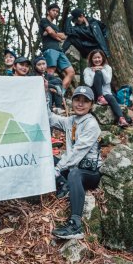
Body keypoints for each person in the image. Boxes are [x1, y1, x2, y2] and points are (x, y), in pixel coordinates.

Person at [48, 86, 102, 240]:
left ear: (91, 105)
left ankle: (75, 224)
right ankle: (63, 185)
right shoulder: (71, 120)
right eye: (77, 100)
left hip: (89, 173)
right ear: (72, 101)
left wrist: (58, 169)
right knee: (48, 158)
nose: (80, 104)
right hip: (72, 167)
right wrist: (44, 92)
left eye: (85, 101)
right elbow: (50, 117)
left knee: (74, 174)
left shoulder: (91, 124)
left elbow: (77, 151)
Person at [83, 49, 128, 127]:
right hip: (94, 94)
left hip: (105, 94)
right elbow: (89, 84)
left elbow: (108, 81)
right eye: (95, 58)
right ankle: (100, 98)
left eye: (99, 57)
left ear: (102, 58)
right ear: (91, 59)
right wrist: (95, 72)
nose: (97, 60)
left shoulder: (107, 68)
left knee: (112, 99)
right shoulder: (87, 70)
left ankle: (121, 119)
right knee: (98, 73)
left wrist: (101, 69)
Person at [39, 3, 75, 90]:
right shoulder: (44, 21)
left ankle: (60, 94)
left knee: (71, 72)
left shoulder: (55, 26)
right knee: (50, 71)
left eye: (57, 11)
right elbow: (51, 32)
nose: (56, 13)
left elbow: (63, 36)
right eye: (53, 10)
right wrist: (56, 36)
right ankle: (48, 95)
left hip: (59, 50)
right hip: (50, 49)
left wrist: (53, 33)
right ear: (48, 12)